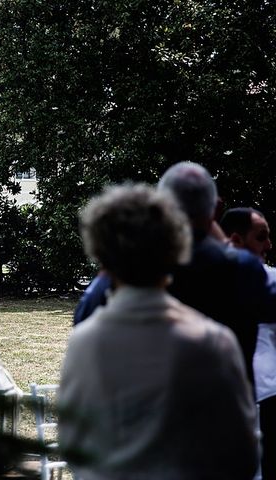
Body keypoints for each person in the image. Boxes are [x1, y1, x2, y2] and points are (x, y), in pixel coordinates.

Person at [59, 183, 259, 479]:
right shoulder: (212, 340)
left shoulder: (84, 342)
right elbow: (243, 456)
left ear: (101, 255)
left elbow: (73, 445)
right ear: (176, 249)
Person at [73, 162, 269, 386]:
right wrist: (223, 242)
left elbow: (85, 318)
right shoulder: (243, 269)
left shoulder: (127, 274)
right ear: (215, 209)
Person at [221, 207, 276, 480]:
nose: (269, 244)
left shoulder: (201, 277)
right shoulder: (270, 280)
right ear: (236, 239)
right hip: (264, 392)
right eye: (261, 237)